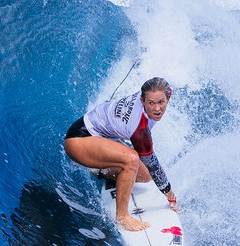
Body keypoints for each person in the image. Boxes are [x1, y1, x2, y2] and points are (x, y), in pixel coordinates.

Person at [64, 77, 179, 231]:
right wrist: (170, 196)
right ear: (142, 100)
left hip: (101, 138)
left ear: (169, 96)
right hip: (79, 140)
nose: (157, 109)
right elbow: (152, 164)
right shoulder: (139, 128)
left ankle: (103, 171)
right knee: (131, 159)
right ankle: (122, 217)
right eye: (151, 103)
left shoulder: (149, 94)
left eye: (161, 102)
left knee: (144, 177)